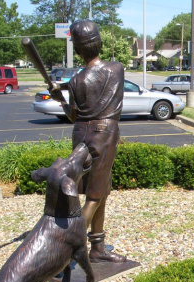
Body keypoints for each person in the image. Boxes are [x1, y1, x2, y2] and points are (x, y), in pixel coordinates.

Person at [50, 19, 126, 263]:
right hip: (104, 134)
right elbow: (99, 75)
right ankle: (67, 250)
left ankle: (98, 246)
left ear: (78, 49)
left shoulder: (74, 81)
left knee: (100, 191)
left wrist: (60, 96)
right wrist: (61, 90)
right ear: (99, 42)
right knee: (95, 195)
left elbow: (73, 115)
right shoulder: (117, 68)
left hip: (81, 133)